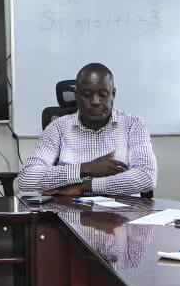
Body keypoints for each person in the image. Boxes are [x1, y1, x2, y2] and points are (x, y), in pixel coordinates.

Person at [16, 63, 156, 198]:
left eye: (103, 94)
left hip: (123, 215)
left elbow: (147, 177)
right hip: (70, 211)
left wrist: (85, 186)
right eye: (87, 94)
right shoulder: (58, 127)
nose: (95, 101)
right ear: (76, 95)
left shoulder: (133, 125)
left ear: (113, 94)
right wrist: (85, 168)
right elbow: (27, 178)